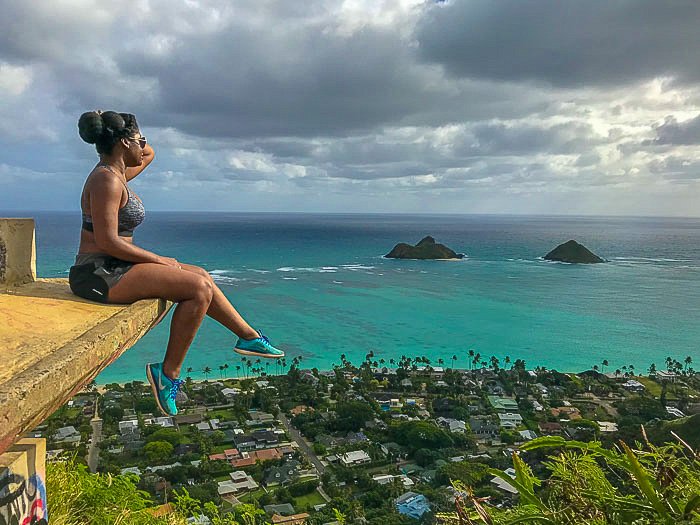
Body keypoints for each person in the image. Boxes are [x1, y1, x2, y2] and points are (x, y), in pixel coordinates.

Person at [70, 110, 284, 416]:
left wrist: (127, 127)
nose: (142, 144)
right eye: (137, 139)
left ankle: (248, 337)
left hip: (115, 266)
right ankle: (167, 373)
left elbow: (149, 153)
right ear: (121, 143)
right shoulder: (106, 180)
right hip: (98, 273)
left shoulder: (118, 173)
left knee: (202, 276)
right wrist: (158, 259)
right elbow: (107, 242)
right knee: (196, 288)